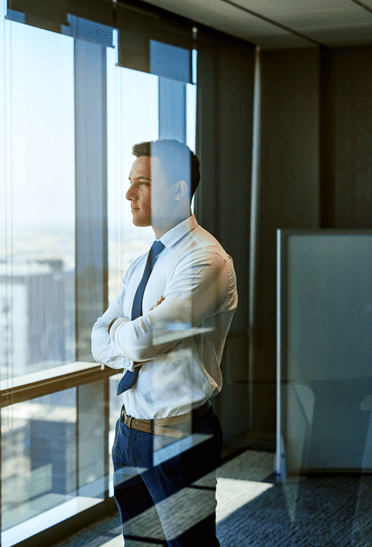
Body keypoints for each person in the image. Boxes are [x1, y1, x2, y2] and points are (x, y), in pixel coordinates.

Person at [91, 140, 237, 546]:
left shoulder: (205, 260)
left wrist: (130, 330)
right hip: (128, 433)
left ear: (177, 189)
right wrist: (134, 329)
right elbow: (98, 339)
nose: (128, 194)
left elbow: (137, 342)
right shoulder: (144, 264)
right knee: (139, 544)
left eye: (142, 183)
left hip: (179, 435)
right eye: (130, 182)